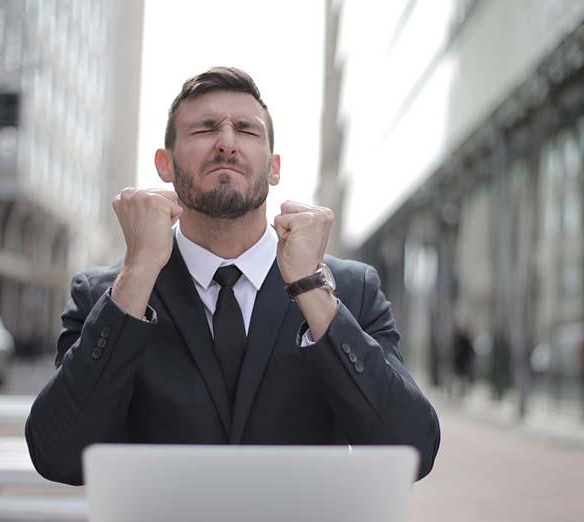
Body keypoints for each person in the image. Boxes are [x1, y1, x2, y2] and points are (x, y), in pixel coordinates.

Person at [25, 67, 440, 486]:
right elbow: (58, 455)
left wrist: (310, 288)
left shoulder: (350, 290)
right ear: (164, 165)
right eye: (205, 129)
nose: (226, 143)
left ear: (274, 168)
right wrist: (138, 272)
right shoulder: (106, 294)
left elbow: (411, 452)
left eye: (246, 130)